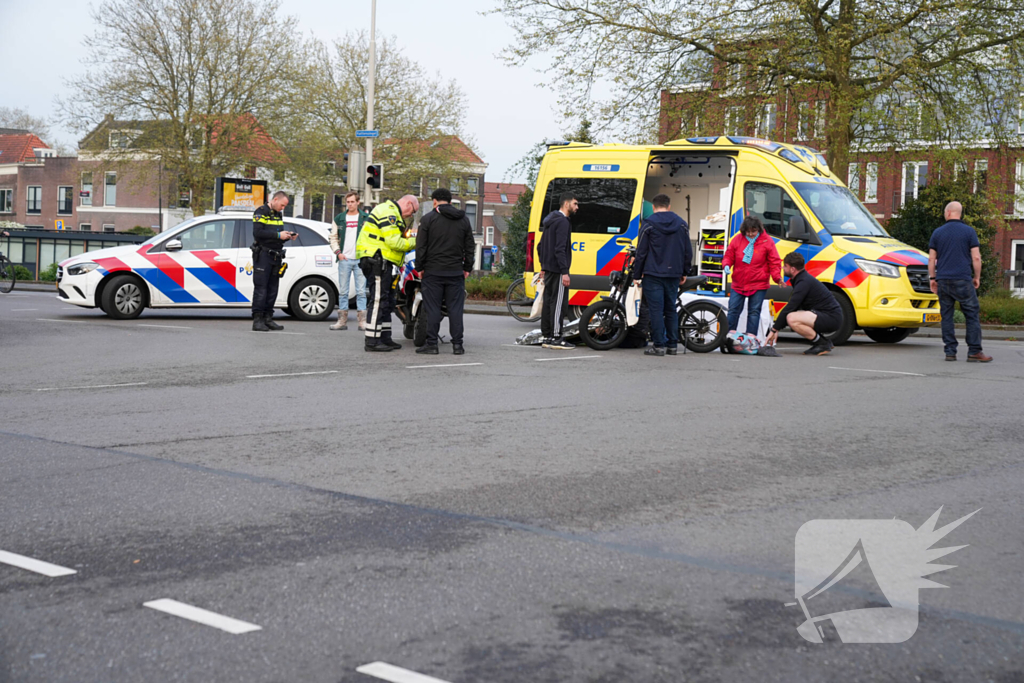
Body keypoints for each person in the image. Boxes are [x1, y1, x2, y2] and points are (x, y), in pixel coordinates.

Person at [929, 201, 992, 362]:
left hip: (943, 280)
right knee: (971, 314)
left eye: (944, 212)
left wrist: (932, 278)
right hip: (963, 280)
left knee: (947, 315)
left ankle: (950, 351)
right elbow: (976, 257)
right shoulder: (969, 232)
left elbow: (931, 258)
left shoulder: (937, 232)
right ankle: (974, 351)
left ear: (949, 213)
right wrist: (976, 277)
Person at [415, 188, 475, 355]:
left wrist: (419, 268)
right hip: (455, 272)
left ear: (434, 201)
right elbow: (470, 246)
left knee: (433, 309)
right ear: (450, 201)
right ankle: (458, 345)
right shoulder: (464, 220)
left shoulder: (428, 219)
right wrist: (467, 268)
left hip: (433, 272)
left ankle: (432, 344)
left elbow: (421, 246)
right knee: (455, 309)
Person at [356, 194, 419, 352]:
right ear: (409, 204)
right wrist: (419, 241)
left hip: (383, 261)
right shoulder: (389, 212)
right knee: (378, 300)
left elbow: (395, 238)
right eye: (413, 211)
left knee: (387, 301)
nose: (411, 215)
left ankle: (384, 337)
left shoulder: (393, 213)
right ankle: (372, 340)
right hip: (377, 260)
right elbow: (395, 242)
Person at [633, 193, 692, 356]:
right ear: (669, 206)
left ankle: (658, 345)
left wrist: (636, 274)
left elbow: (641, 252)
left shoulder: (648, 224)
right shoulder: (681, 224)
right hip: (673, 274)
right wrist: (685, 271)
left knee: (656, 310)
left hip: (653, 274)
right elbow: (688, 251)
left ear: (653, 207)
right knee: (670, 309)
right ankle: (672, 345)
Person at [765, 252, 843, 355]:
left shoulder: (803, 282)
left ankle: (822, 343)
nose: (783, 268)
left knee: (792, 318)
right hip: (827, 315)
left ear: (793, 269)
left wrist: (774, 329)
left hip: (831, 318)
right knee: (794, 315)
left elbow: (791, 306)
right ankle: (823, 342)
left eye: (785, 266)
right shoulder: (802, 279)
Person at [722, 215, 781, 338]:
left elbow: (774, 261)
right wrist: (726, 264)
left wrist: (777, 278)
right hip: (738, 282)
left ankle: (751, 339)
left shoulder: (767, 241)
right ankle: (727, 337)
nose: (750, 234)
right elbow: (729, 255)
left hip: (759, 283)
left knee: (754, 312)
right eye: (748, 232)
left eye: (753, 231)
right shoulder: (737, 239)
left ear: (759, 229)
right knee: (733, 311)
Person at [251, 191, 297, 332]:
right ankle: (257, 320)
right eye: (282, 205)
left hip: (275, 256)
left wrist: (287, 236)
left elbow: (276, 235)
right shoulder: (261, 212)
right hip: (264, 255)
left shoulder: (278, 214)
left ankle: (268, 318)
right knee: (261, 288)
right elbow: (258, 233)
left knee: (272, 289)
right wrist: (278, 235)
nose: (283, 208)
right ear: (275, 199)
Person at [538, 192, 578, 350]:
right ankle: (556, 337)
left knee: (548, 302)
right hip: (557, 270)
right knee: (559, 304)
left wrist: (543, 266)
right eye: (575, 204)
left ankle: (547, 336)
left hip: (548, 269)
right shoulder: (563, 222)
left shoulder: (550, 221)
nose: (577, 207)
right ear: (566, 204)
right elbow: (560, 249)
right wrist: (565, 271)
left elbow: (540, 246)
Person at [329, 191, 369, 331]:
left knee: (361, 291)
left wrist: (366, 255)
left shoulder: (365, 218)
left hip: (360, 259)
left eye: (353, 201)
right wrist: (338, 253)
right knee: (343, 291)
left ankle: (362, 322)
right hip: (344, 259)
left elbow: (370, 237)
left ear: (358, 202)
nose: (350, 204)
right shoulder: (339, 218)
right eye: (348, 202)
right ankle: (342, 321)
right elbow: (333, 237)